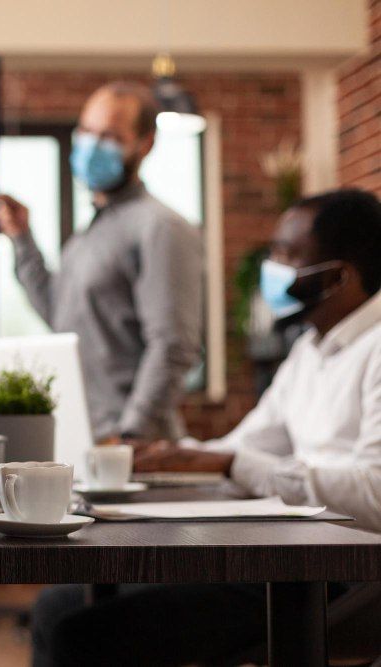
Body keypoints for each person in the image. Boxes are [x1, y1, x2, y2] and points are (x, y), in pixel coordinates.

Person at [31, 188, 381, 666]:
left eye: (288, 255)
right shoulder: (310, 350)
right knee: (58, 607)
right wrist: (169, 454)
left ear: (340, 275)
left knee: (83, 635)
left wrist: (230, 462)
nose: (272, 267)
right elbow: (246, 444)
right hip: (288, 556)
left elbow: (376, 494)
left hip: (343, 578)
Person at [0, 82, 203, 443]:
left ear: (145, 144)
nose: (92, 146)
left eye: (110, 136)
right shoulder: (89, 233)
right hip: (86, 439)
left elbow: (172, 345)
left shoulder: (160, 227)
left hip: (133, 450)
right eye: (87, 132)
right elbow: (59, 315)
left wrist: (129, 435)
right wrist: (22, 238)